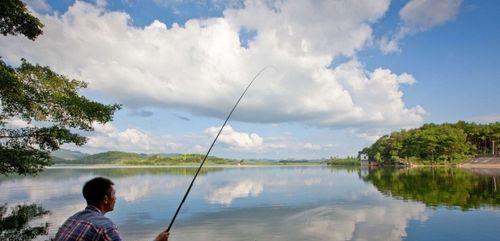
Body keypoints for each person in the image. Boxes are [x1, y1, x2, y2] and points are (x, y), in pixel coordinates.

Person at [54, 177, 169, 241]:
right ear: (105, 199)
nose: (116, 198)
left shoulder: (73, 219)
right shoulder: (105, 227)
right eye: (114, 194)